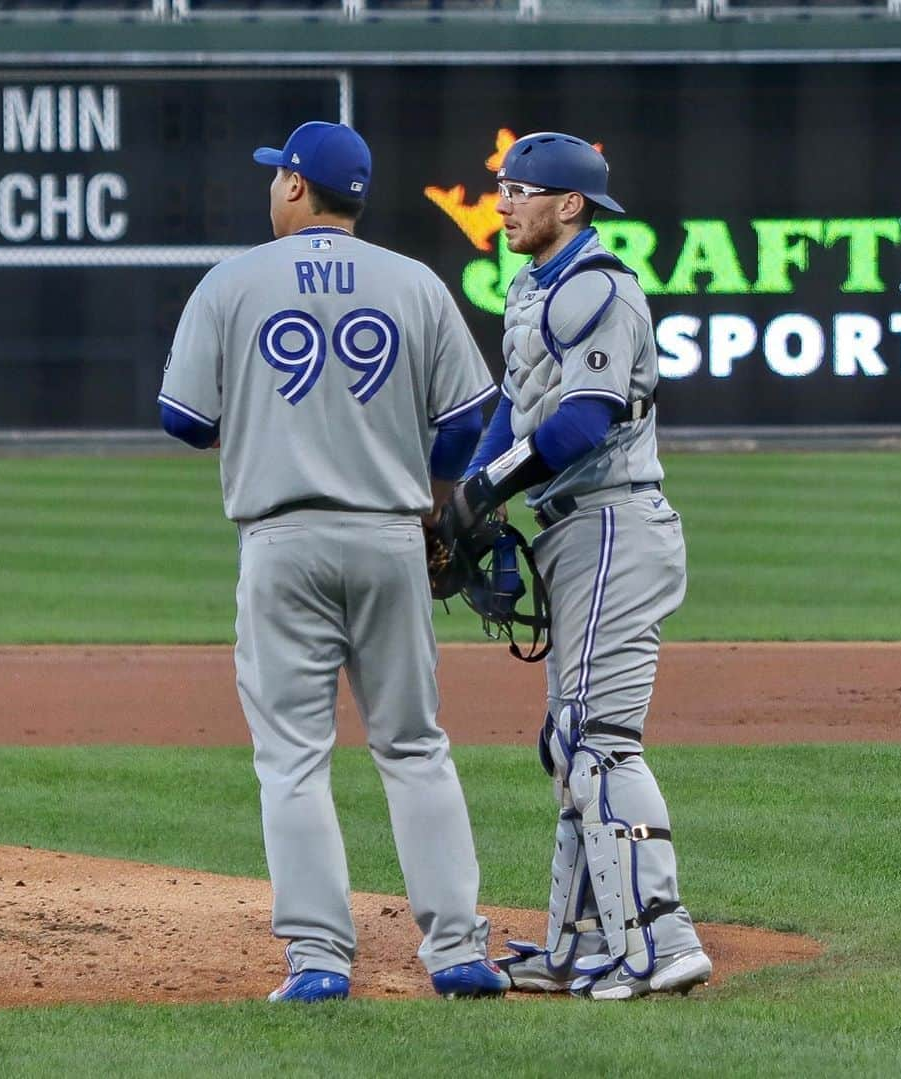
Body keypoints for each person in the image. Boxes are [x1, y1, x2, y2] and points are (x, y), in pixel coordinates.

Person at [157, 120, 509, 1003]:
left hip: (282, 543)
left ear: (294, 187)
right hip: (391, 536)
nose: (272, 185)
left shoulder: (233, 283)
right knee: (416, 746)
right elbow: (468, 419)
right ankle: (458, 951)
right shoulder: (416, 282)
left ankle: (318, 961)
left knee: (293, 758)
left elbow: (184, 421)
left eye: (278, 174)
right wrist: (434, 504)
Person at [449, 131, 712, 1000]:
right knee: (571, 743)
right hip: (577, 527)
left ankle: (664, 940)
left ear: (570, 205)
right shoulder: (534, 288)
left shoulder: (598, 287)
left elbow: (580, 424)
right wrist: (462, 495)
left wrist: (483, 490)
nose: (504, 203)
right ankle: (579, 942)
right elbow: (518, 409)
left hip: (613, 524)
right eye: (503, 189)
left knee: (599, 740)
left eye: (520, 190)